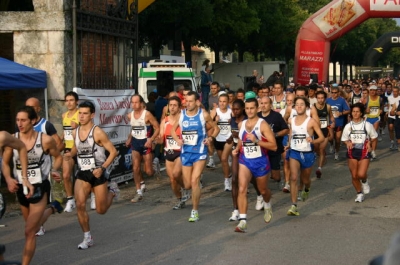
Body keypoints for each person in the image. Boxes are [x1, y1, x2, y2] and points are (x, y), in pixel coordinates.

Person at [2, 106, 62, 264]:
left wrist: (55, 170)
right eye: (17, 120)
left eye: (23, 120)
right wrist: (8, 178)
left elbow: (58, 156)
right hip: (21, 187)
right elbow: (5, 163)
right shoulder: (13, 139)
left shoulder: (45, 140)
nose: (19, 123)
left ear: (33, 121)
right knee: (33, 226)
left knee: (29, 231)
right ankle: (53, 208)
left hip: (40, 186)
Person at [64, 101, 118, 249]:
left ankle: (112, 191)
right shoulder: (74, 132)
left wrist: (103, 168)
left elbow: (113, 152)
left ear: (92, 115)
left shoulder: (97, 132)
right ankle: (87, 237)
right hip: (83, 173)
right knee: (80, 205)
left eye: (85, 113)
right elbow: (76, 148)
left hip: (97, 171)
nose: (81, 116)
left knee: (101, 210)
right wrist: (69, 155)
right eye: (79, 113)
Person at [170, 91, 219, 222]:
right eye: (186, 101)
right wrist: (178, 140)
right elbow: (172, 131)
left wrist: (211, 138)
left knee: (194, 180)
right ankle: (190, 190)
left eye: (191, 101)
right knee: (187, 184)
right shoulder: (181, 115)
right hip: (186, 152)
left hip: (200, 152)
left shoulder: (203, 114)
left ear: (197, 102)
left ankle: (194, 211)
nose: (188, 103)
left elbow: (216, 128)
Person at [232, 98, 277, 232]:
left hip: (261, 161)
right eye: (247, 108)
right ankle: (243, 220)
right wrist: (237, 148)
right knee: (242, 189)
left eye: (252, 108)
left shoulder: (262, 125)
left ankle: (267, 204)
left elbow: (274, 146)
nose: (249, 111)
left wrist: (257, 141)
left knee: (263, 190)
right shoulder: (242, 124)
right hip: (245, 160)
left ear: (257, 109)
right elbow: (241, 138)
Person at [286, 97, 325, 216]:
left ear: (307, 107)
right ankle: (293, 205)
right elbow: (291, 133)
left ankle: (307, 188)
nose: (299, 106)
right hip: (294, 152)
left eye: (301, 104)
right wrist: (288, 144)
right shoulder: (291, 120)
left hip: (307, 153)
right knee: (293, 177)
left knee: (305, 180)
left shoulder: (311, 121)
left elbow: (321, 137)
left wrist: (312, 141)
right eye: (296, 104)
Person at [126, 95, 160, 203]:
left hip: (146, 142)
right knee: (135, 168)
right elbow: (133, 127)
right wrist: (129, 138)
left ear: (141, 103)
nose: (134, 105)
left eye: (136, 102)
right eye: (132, 102)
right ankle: (139, 191)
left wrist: (152, 139)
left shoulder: (147, 114)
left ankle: (155, 166)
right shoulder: (129, 115)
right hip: (135, 143)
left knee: (148, 171)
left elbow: (157, 127)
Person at [157, 96, 189, 210]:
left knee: (176, 174)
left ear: (179, 107)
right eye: (170, 105)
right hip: (168, 152)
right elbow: (161, 138)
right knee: (172, 180)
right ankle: (180, 199)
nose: (172, 107)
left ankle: (186, 188)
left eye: (175, 105)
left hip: (181, 152)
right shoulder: (164, 121)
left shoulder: (184, 120)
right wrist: (155, 140)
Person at [341, 103, 377, 202]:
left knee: (361, 174)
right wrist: (347, 142)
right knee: (354, 175)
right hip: (352, 152)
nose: (355, 114)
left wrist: (370, 144)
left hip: (364, 151)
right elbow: (344, 139)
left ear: (361, 113)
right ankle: (359, 193)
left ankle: (364, 181)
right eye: (353, 112)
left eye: (357, 112)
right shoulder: (348, 126)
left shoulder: (367, 125)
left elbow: (374, 137)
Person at [257, 96, 289, 205]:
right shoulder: (257, 117)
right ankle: (262, 195)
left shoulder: (276, 116)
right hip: (260, 150)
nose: (263, 105)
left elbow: (286, 130)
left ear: (271, 105)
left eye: (266, 103)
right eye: (262, 103)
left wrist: (275, 134)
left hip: (274, 148)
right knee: (261, 174)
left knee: (275, 176)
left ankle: (279, 180)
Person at [226, 100, 246, 221]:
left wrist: (238, 136)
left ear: (243, 108)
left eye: (237, 109)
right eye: (233, 109)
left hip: (247, 152)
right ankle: (235, 210)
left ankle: (260, 195)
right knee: (234, 179)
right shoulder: (232, 119)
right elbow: (233, 134)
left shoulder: (247, 120)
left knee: (253, 179)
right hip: (236, 152)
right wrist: (230, 138)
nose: (235, 111)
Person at [61, 91, 79, 213]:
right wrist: (59, 140)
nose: (69, 102)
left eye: (71, 100)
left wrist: (77, 127)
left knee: (88, 176)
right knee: (66, 175)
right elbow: (65, 132)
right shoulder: (64, 116)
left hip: (81, 148)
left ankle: (93, 196)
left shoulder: (80, 114)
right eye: (67, 100)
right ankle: (70, 200)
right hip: (68, 148)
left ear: (76, 102)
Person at [210, 94, 233, 191]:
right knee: (223, 161)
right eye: (220, 101)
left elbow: (237, 124)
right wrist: (215, 121)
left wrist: (231, 121)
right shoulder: (215, 111)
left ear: (227, 102)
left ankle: (227, 181)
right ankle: (228, 176)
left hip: (229, 139)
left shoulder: (231, 112)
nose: (222, 103)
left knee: (226, 160)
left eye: (224, 101)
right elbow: (209, 125)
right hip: (218, 139)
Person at [314, 91, 335, 178]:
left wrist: (332, 123)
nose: (320, 100)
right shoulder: (313, 107)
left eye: (322, 98)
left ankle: (319, 168)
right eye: (318, 98)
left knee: (322, 149)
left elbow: (331, 117)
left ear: (325, 98)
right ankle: (323, 158)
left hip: (325, 130)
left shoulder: (328, 107)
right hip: (315, 131)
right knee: (316, 149)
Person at [326, 85, 350, 160]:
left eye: (335, 93)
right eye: (332, 92)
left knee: (338, 139)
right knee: (330, 137)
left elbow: (348, 110)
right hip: (330, 123)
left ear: (339, 93)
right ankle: (331, 144)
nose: (334, 94)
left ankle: (336, 153)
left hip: (339, 123)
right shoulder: (327, 100)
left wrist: (341, 113)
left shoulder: (342, 100)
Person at [365, 85, 382, 160]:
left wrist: (381, 110)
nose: (372, 91)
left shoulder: (379, 98)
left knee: (374, 134)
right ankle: (369, 150)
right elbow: (361, 108)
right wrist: (366, 110)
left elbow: (382, 106)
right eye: (371, 90)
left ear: (376, 91)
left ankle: (373, 152)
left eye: (374, 90)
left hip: (376, 118)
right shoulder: (366, 99)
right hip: (368, 118)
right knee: (368, 135)